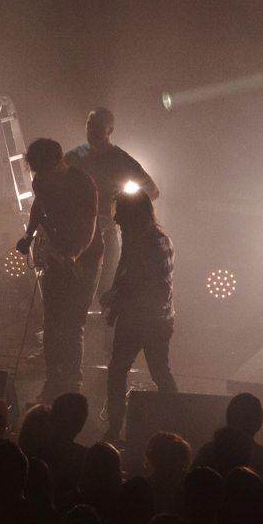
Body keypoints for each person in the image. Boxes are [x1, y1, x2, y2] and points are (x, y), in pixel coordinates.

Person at [15, 138, 98, 402]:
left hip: (85, 259)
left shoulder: (82, 183)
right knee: (52, 322)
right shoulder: (41, 181)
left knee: (73, 324)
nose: (40, 178)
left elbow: (89, 228)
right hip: (56, 256)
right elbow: (38, 206)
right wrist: (28, 235)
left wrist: (73, 256)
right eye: (36, 171)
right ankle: (53, 378)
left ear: (59, 163)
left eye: (44, 171)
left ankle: (73, 383)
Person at [100, 190, 177, 444]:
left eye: (121, 214)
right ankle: (118, 426)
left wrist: (118, 299)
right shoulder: (134, 238)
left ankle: (175, 423)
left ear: (134, 214)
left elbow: (154, 289)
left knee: (157, 372)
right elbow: (126, 275)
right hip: (139, 318)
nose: (117, 220)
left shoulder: (156, 243)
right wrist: (115, 294)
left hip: (152, 321)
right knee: (126, 370)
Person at [64, 107, 159, 302]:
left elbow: (152, 190)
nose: (91, 130)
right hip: (76, 234)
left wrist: (122, 208)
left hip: (106, 234)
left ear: (110, 130)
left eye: (98, 127)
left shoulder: (120, 159)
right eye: (89, 125)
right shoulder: (73, 157)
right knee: (74, 293)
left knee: (105, 294)